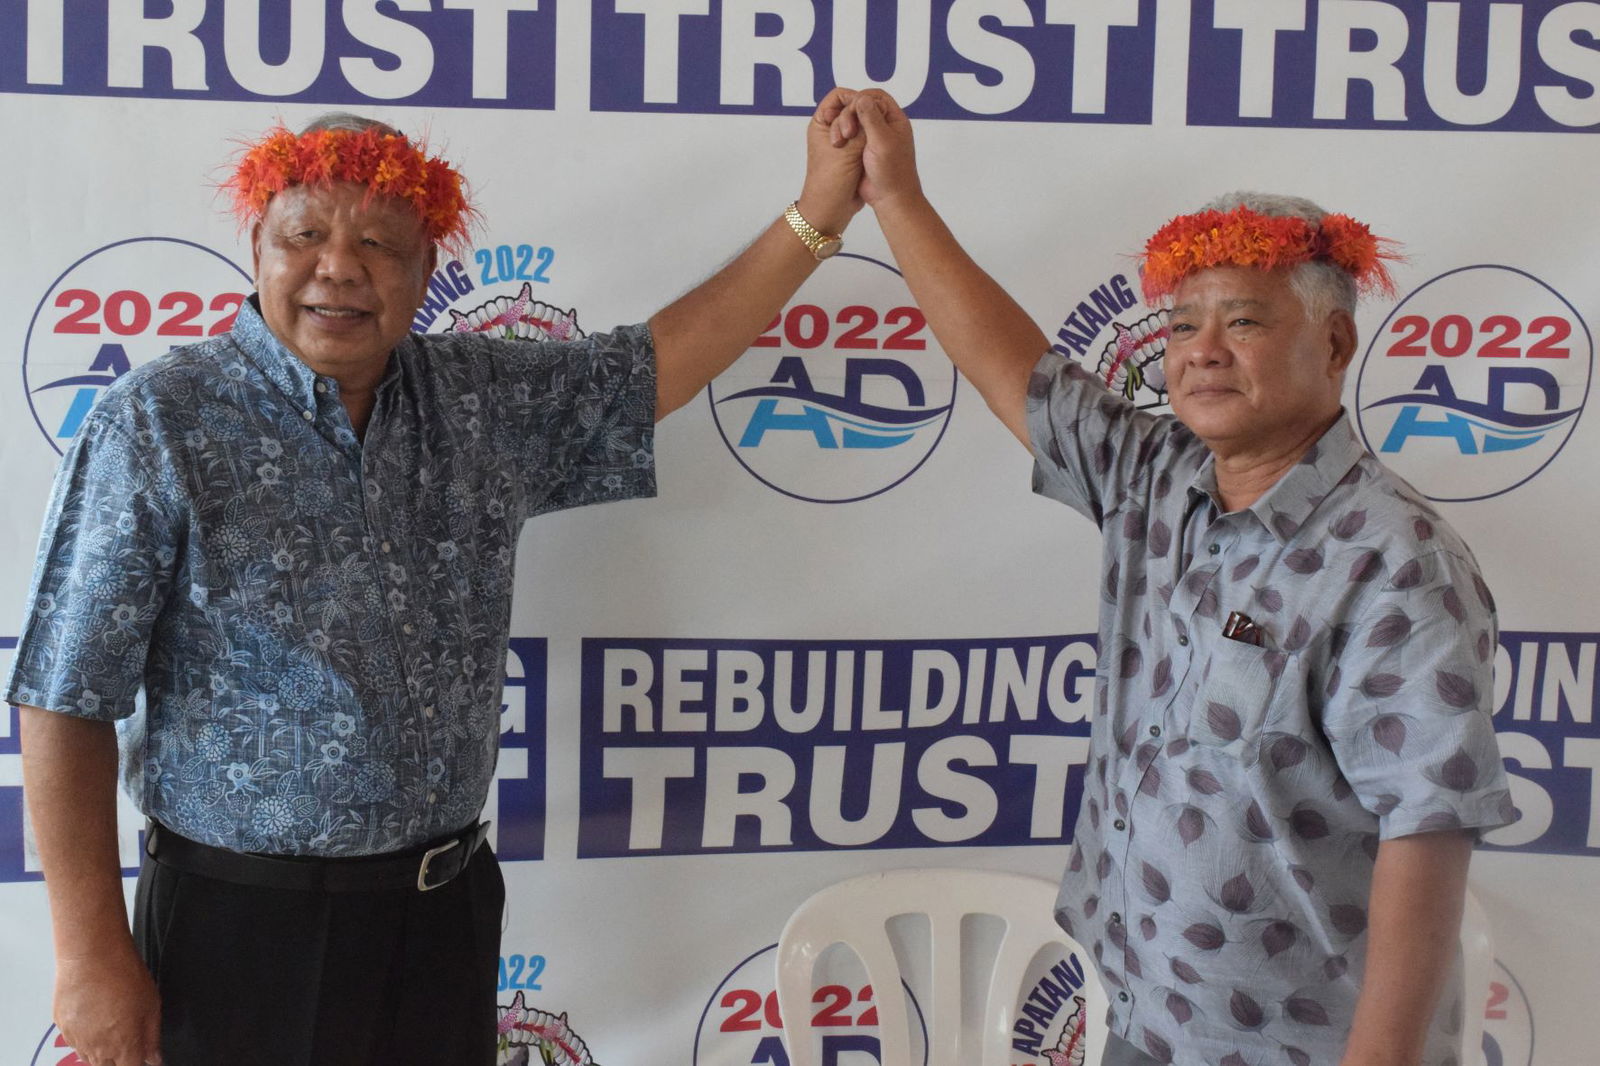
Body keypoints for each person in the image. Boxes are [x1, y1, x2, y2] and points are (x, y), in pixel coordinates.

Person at [6, 101, 868, 1066]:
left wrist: (818, 214)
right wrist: (88, 954)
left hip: (441, 919)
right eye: (305, 236)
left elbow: (651, 368)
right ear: (257, 244)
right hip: (237, 934)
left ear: (424, 271)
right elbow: (63, 696)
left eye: (379, 243)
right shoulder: (160, 422)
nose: (339, 267)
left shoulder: (481, 402)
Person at [821, 90, 1516, 1066]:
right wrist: (895, 196)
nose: (1201, 350)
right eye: (1183, 324)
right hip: (1142, 1023)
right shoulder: (1154, 480)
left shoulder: (1395, 560)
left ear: (1332, 342)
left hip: (1302, 1045)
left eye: (1242, 320)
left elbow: (1426, 835)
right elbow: (1008, 367)